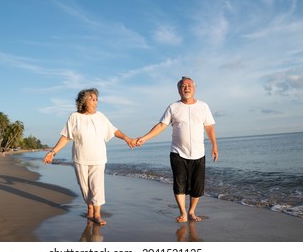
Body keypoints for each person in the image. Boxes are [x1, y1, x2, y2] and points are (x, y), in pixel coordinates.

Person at [43, 88, 136, 226]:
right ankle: (90, 209)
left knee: (97, 186)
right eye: (92, 99)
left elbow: (113, 130)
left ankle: (97, 214)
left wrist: (127, 139)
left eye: (96, 99)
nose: (96, 102)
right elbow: (66, 136)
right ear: (84, 101)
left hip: (98, 157)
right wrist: (53, 152)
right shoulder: (74, 117)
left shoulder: (101, 116)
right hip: (80, 158)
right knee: (84, 187)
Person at [136, 77, 218, 222]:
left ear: (194, 88)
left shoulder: (203, 106)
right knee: (179, 183)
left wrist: (214, 146)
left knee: (197, 186)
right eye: (183, 86)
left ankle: (191, 211)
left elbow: (209, 126)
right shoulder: (173, 107)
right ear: (179, 90)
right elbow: (161, 125)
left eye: (189, 85)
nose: (186, 88)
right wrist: (145, 138)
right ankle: (183, 213)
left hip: (199, 153)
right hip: (178, 152)